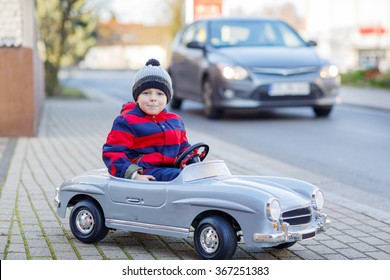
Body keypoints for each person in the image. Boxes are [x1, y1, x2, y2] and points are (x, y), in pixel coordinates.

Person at [102, 58, 191, 181]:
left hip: (171, 169)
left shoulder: (175, 121)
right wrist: (134, 175)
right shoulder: (127, 121)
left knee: (198, 175)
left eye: (160, 94)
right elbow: (114, 152)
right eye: (146, 93)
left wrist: (190, 161)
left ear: (167, 98)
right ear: (137, 98)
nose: (153, 98)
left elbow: (184, 148)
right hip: (146, 171)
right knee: (180, 177)